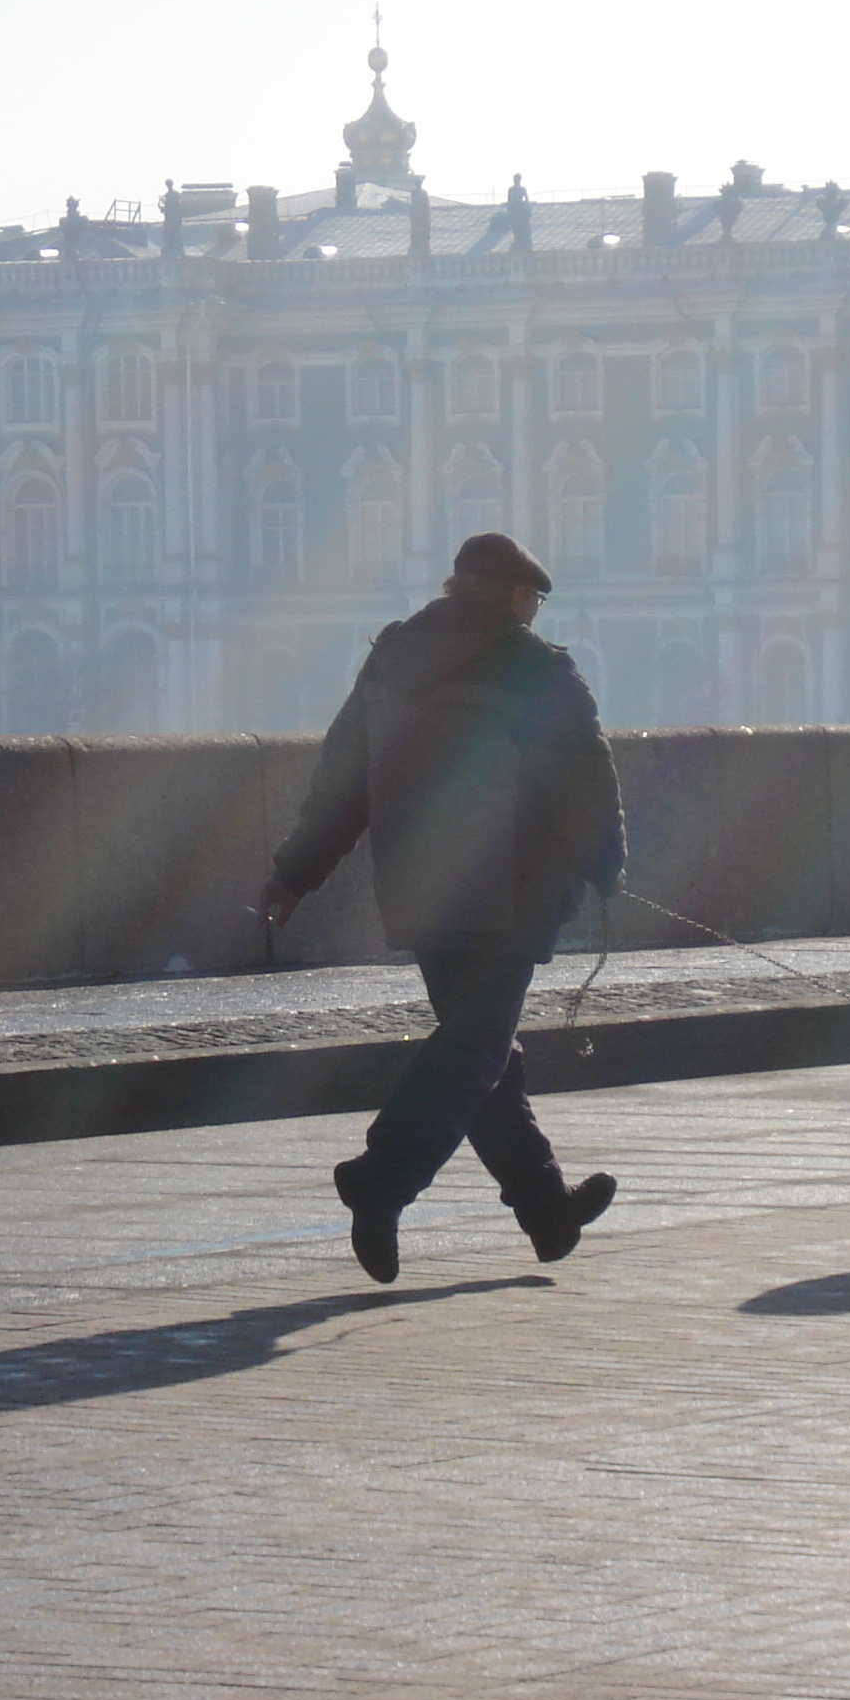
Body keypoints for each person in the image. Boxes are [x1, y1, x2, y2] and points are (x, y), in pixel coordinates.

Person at [260, 532, 624, 1284]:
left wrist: (297, 874)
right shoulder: (533, 666)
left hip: (421, 886)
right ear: (513, 596)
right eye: (533, 598)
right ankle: (382, 1180)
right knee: (477, 1049)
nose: (535, 611)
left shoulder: (392, 658)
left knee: (481, 1050)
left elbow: (343, 779)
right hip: (511, 886)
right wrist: (606, 866)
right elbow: (585, 775)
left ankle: (545, 1207)